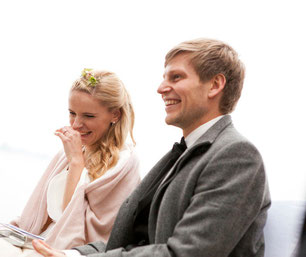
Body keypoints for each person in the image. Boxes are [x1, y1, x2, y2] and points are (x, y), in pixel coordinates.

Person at [32, 38, 271, 257]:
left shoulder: (237, 157)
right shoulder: (184, 154)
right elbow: (131, 242)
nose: (160, 88)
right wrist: (70, 255)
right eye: (165, 77)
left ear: (215, 85)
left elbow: (187, 253)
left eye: (176, 77)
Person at [0, 69, 141, 256]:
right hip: (37, 243)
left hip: (66, 251)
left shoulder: (123, 163)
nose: (77, 124)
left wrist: (77, 162)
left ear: (115, 114)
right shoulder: (69, 154)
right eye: (72, 113)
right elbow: (44, 221)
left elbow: (79, 228)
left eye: (88, 115)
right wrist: (5, 234)